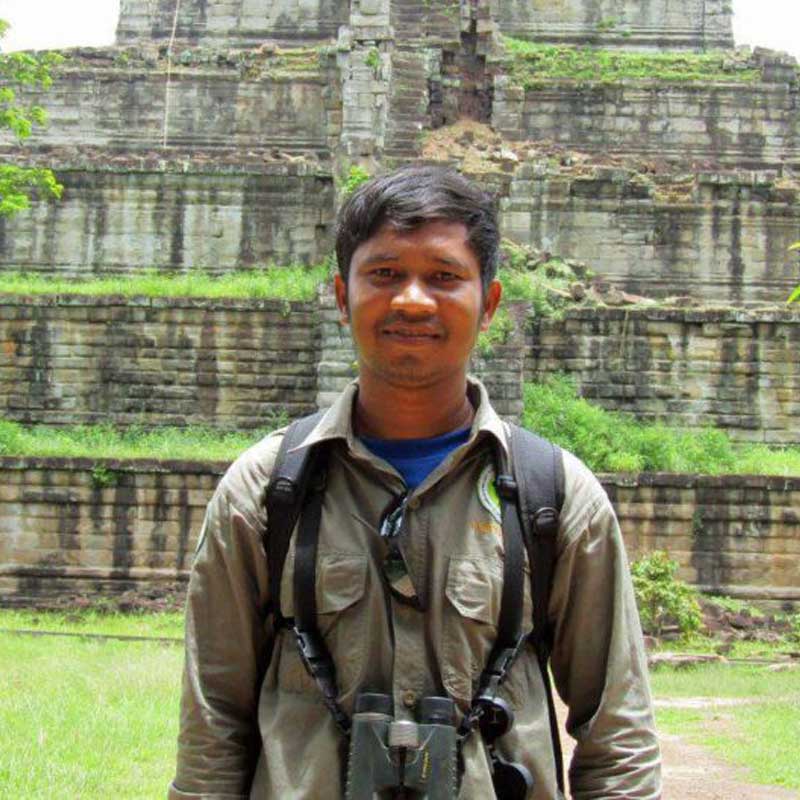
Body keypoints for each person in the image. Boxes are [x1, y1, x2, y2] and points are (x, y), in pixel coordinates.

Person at [169, 165, 662, 799]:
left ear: (488, 305)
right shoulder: (265, 491)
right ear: (343, 298)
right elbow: (213, 723)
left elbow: (617, 733)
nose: (411, 300)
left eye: (444, 277)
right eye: (384, 274)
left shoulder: (555, 496)